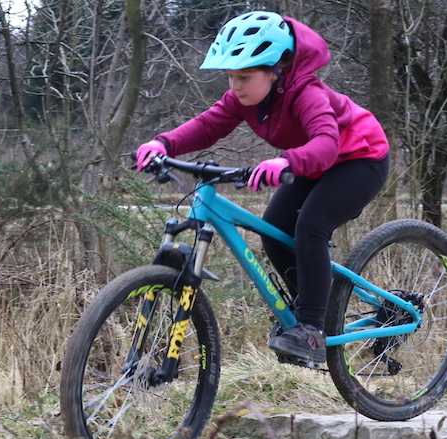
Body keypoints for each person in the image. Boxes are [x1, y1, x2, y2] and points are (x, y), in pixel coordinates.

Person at [135, 11, 390, 365]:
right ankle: (313, 311)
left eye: (244, 76)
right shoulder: (244, 100)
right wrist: (162, 144)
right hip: (309, 162)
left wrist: (285, 162)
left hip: (359, 159)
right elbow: (206, 126)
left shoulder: (306, 93)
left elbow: (327, 144)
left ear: (277, 71)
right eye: (230, 77)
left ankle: (313, 328)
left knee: (310, 226)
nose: (235, 86)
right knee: (272, 231)